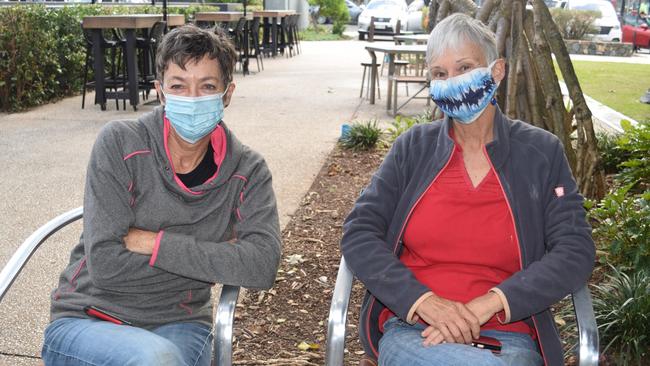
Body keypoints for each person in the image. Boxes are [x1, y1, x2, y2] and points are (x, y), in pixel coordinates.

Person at [340, 14, 595, 366]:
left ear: (497, 71)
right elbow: (359, 231)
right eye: (440, 74)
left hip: (508, 335)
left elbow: (575, 249)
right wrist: (424, 302)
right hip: (417, 330)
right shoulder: (413, 148)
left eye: (464, 67)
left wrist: (486, 304)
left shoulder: (540, 152)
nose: (452, 82)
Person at [41, 25, 282, 366]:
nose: (193, 99)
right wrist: (213, 258)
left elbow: (261, 265)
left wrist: (153, 243)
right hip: (90, 316)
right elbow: (106, 265)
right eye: (179, 86)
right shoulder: (121, 143)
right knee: (156, 359)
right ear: (161, 91)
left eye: (208, 86)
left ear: (227, 94)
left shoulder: (248, 171)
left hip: (180, 323)